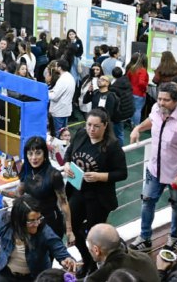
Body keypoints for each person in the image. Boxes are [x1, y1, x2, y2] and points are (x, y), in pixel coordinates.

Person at [129, 83, 177, 252]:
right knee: (147, 202)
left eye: (166, 100)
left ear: (175, 101)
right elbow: (151, 120)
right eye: (159, 98)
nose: (161, 103)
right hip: (155, 170)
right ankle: (145, 238)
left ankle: (174, 238)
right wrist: (138, 128)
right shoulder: (156, 109)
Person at [63, 108, 128, 278]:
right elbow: (69, 151)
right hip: (78, 191)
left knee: (95, 236)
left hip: (98, 197)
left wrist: (100, 176)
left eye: (96, 126)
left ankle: (94, 265)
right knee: (72, 227)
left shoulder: (112, 146)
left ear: (105, 126)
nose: (91, 129)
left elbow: (122, 173)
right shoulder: (81, 134)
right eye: (89, 125)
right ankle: (87, 259)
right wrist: (67, 164)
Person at [0, 194, 76, 280]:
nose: (37, 224)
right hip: (5, 272)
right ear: (18, 220)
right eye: (31, 221)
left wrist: (66, 259)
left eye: (39, 218)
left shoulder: (44, 232)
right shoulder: (4, 222)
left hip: (33, 276)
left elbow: (58, 248)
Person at [85, 223, 159, 282]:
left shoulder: (112, 273)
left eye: (89, 246)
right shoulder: (144, 257)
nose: (89, 249)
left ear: (96, 250)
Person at [47, 59, 75, 134]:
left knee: (58, 133)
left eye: (56, 66)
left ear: (59, 68)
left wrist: (44, 93)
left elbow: (54, 96)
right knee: (63, 132)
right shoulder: (70, 77)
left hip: (59, 111)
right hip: (65, 110)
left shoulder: (62, 79)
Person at [126, 53, 149, 126]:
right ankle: (136, 125)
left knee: (132, 109)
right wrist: (145, 88)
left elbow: (127, 79)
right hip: (139, 93)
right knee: (137, 110)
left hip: (131, 92)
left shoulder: (132, 68)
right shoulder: (143, 70)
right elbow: (141, 83)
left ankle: (132, 123)